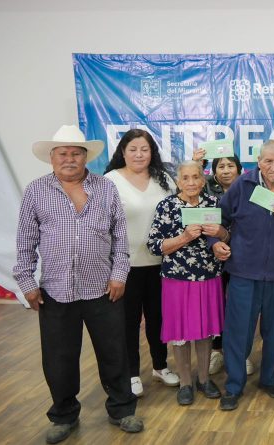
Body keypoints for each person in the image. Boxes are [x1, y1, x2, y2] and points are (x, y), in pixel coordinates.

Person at [13, 125, 143, 444]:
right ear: (52, 157)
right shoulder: (36, 191)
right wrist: (26, 281)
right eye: (63, 153)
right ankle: (64, 415)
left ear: (86, 158)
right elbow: (25, 241)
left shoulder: (106, 188)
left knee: (114, 353)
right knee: (59, 360)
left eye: (75, 153)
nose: (69, 159)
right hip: (55, 291)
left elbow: (120, 237)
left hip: (103, 289)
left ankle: (122, 409)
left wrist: (119, 274)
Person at [211, 140, 274, 410]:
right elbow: (218, 218)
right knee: (238, 331)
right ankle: (234, 385)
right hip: (243, 271)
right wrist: (214, 243)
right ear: (258, 162)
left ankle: (269, 379)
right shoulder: (242, 185)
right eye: (268, 161)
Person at [104, 129, 180, 397]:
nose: (139, 154)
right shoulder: (110, 181)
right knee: (128, 321)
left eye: (144, 149)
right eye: (133, 149)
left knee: (159, 319)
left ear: (152, 153)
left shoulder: (164, 179)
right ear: (123, 152)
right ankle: (132, 373)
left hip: (162, 263)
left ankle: (161, 366)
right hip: (125, 266)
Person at [147, 161, 225, 405]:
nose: (191, 182)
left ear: (203, 180)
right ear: (178, 182)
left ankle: (204, 379)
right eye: (185, 178)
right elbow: (154, 246)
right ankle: (185, 383)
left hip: (208, 276)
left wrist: (220, 235)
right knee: (179, 332)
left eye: (196, 177)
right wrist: (184, 237)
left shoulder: (212, 203)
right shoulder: (167, 206)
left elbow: (225, 235)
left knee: (205, 330)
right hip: (177, 279)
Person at [200, 155, 247, 375]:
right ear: (214, 171)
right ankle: (216, 351)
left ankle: (240, 354)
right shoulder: (206, 192)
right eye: (221, 166)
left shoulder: (249, 190)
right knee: (216, 305)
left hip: (244, 257)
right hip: (214, 257)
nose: (226, 170)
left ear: (239, 169)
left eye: (230, 165)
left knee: (240, 307)